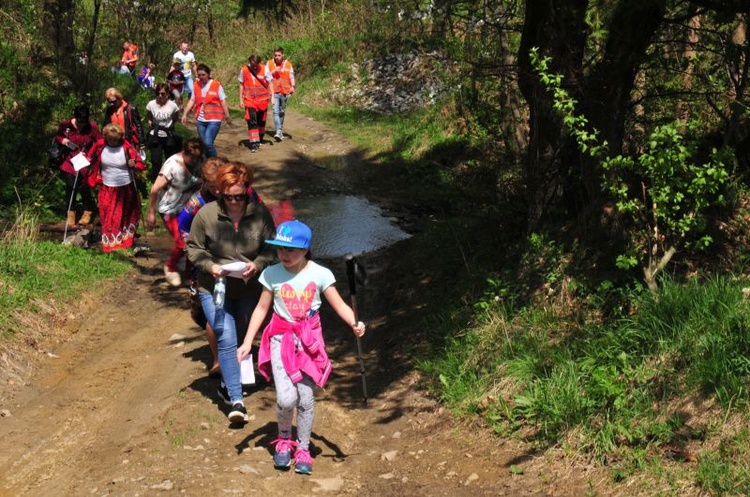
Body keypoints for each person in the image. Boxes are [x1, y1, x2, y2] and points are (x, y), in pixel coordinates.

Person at [236, 219, 366, 475]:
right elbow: (262, 308)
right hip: (280, 339)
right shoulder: (271, 273)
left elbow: (339, 305)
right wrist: (247, 341)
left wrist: (354, 322)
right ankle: (284, 439)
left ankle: (303, 447)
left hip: (309, 342)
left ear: (306, 249)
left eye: (291, 250)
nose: (284, 255)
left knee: (306, 398)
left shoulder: (320, 274)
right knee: (286, 398)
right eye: (280, 249)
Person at [186, 162, 276, 423]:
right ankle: (237, 400)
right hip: (214, 286)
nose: (235, 202)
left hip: (250, 287)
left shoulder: (260, 214)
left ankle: (227, 384)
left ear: (248, 190)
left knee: (240, 335)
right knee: (225, 336)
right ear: (220, 193)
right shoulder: (205, 214)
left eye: (240, 196)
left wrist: (257, 264)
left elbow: (272, 248)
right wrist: (210, 266)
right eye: (229, 197)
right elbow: (194, 248)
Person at [179, 156, 229, 376]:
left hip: (237, 258)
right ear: (204, 183)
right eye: (213, 187)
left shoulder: (241, 193)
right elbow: (182, 227)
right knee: (212, 312)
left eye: (222, 185)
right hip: (206, 263)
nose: (218, 191)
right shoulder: (196, 203)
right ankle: (218, 359)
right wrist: (193, 247)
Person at [146, 137, 205, 287]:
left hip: (191, 208)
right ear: (184, 153)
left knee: (194, 241)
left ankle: (190, 275)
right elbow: (155, 190)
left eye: (197, 158)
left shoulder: (200, 160)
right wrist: (151, 213)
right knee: (182, 243)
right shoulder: (172, 165)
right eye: (191, 157)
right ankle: (170, 267)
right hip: (170, 209)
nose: (194, 161)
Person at [85, 123, 146, 252]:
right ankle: (110, 243)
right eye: (110, 139)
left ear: (120, 138)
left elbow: (140, 163)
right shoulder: (100, 146)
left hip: (125, 187)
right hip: (107, 187)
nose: (112, 142)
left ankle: (125, 241)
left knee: (123, 214)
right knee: (107, 215)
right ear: (105, 137)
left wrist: (133, 164)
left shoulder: (127, 147)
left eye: (115, 139)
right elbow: (90, 158)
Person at [54, 105, 102, 228]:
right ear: (75, 117)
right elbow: (58, 136)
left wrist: (90, 155)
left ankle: (88, 210)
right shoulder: (66, 125)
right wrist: (63, 141)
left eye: (84, 122)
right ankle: (70, 212)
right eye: (79, 122)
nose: (81, 125)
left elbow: (100, 142)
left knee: (83, 185)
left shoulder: (92, 127)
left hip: (84, 160)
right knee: (70, 185)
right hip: (69, 159)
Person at [181, 64, 233, 158]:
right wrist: (185, 114)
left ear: (208, 74)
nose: (201, 77)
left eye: (203, 75)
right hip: (201, 120)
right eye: (199, 75)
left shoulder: (216, 85)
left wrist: (227, 116)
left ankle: (216, 162)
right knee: (203, 146)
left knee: (208, 143)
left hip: (214, 119)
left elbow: (223, 101)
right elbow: (192, 100)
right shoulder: (196, 85)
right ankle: (206, 166)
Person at [145, 83, 183, 182]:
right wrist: (150, 122)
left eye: (162, 93)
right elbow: (149, 117)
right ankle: (156, 182)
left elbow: (175, 118)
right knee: (156, 160)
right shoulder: (151, 104)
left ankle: (170, 179)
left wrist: (168, 127)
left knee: (170, 159)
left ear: (168, 94)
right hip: (155, 135)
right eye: (158, 93)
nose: (160, 96)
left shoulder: (173, 106)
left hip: (168, 135)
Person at [238, 54, 272, 153]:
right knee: (252, 121)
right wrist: (240, 99)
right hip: (249, 100)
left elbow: (270, 82)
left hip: (262, 100)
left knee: (261, 121)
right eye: (253, 65)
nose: (255, 67)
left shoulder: (264, 69)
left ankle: (260, 137)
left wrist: (272, 96)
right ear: (250, 62)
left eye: (257, 65)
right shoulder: (244, 70)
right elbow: (241, 84)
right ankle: (254, 143)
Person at [267, 47, 295, 141]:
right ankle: (278, 132)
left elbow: (291, 77)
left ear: (282, 55)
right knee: (275, 111)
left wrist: (292, 86)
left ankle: (280, 130)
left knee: (282, 112)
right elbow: (265, 76)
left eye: (279, 55)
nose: (277, 57)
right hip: (273, 91)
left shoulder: (288, 64)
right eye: (275, 55)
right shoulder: (269, 63)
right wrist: (272, 72)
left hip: (285, 92)